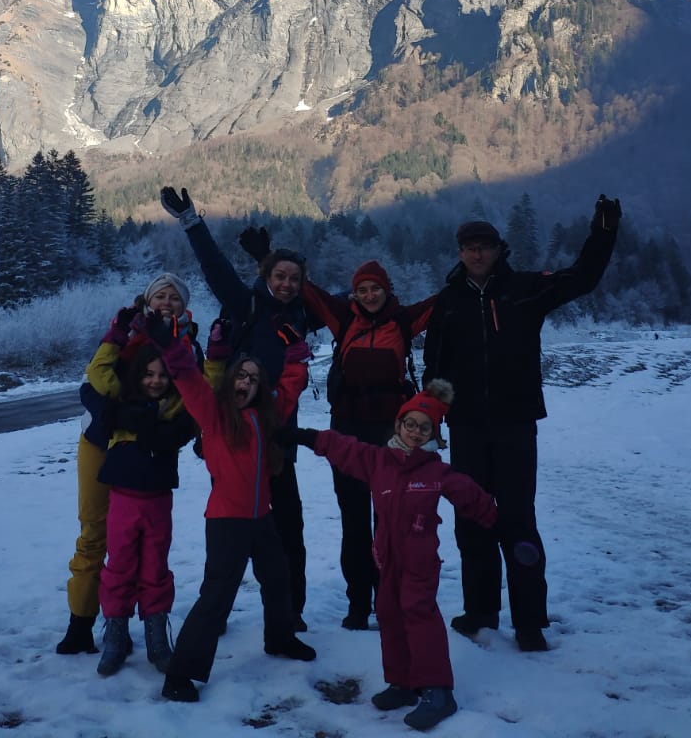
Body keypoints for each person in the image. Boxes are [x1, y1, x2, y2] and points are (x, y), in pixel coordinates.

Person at [423, 196, 621, 653]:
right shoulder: (448, 301)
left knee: (518, 523)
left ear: (499, 249)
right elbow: (435, 366)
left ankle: (530, 623)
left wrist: (604, 233)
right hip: (467, 428)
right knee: (471, 521)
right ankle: (480, 613)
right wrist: (433, 418)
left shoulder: (526, 289)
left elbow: (583, 277)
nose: (477, 253)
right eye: (469, 247)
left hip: (515, 425)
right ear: (460, 253)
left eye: (484, 246)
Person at [289, 380, 514, 732]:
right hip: (387, 560)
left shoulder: (436, 472)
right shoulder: (378, 462)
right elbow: (344, 448)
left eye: (424, 428)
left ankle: (438, 691)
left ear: (433, 435)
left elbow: (471, 495)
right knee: (389, 615)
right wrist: (306, 437)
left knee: (419, 616)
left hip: (420, 562)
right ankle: (403, 682)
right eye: (410, 424)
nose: (415, 432)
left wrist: (500, 524)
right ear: (398, 425)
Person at [160, 186, 315, 628]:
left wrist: (268, 255)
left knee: (287, 528)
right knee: (229, 532)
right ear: (266, 277)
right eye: (279, 276)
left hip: (278, 437)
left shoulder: (302, 315)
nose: (286, 285)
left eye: (294, 279)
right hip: (232, 437)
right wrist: (191, 222)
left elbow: (334, 304)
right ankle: (218, 608)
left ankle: (289, 614)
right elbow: (215, 268)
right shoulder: (245, 305)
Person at [150, 323, 317, 703]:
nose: (246, 382)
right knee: (217, 595)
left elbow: (292, 385)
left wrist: (295, 354)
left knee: (278, 578)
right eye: (241, 375)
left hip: (261, 516)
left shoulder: (267, 416)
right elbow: (189, 379)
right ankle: (180, 674)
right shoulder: (215, 414)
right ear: (230, 381)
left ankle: (280, 638)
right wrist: (170, 345)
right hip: (226, 520)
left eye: (254, 379)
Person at [55, 272, 196, 656]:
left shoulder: (188, 347)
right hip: (100, 441)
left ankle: (140, 626)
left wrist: (170, 432)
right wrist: (116, 415)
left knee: (142, 545)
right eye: (160, 296)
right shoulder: (123, 336)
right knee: (93, 532)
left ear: (184, 307)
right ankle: (81, 623)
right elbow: (90, 386)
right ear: (148, 301)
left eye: (175, 298)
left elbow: (194, 401)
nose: (167, 303)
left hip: (147, 453)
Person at [298, 252, 434, 630]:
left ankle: (388, 600)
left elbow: (441, 303)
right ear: (354, 294)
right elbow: (310, 293)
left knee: (389, 522)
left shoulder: (403, 321)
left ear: (387, 290)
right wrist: (268, 259)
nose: (369, 295)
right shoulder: (343, 318)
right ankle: (358, 603)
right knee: (354, 521)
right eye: (362, 290)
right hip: (347, 431)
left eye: (375, 289)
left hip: (390, 435)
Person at [94, 333, 198, 678]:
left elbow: (204, 386)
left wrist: (204, 352)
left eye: (163, 375)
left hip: (158, 501)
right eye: (149, 374)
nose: (156, 381)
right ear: (138, 375)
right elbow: (98, 373)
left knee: (155, 569)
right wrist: (115, 335)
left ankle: (157, 639)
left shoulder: (178, 407)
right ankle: (116, 636)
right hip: (123, 499)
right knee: (119, 568)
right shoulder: (121, 402)